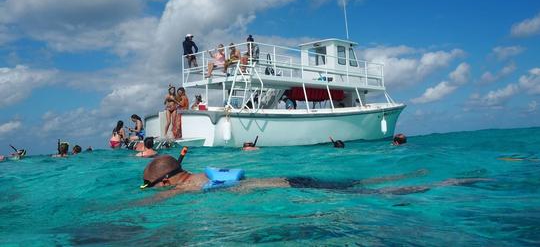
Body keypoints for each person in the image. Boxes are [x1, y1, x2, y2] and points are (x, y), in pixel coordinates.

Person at [139, 149, 492, 203]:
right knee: (362, 186)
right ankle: (419, 172)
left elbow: (146, 205)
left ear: (166, 179)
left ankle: (447, 183)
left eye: (149, 185)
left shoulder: (183, 188)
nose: (150, 190)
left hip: (295, 188)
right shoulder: (199, 175)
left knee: (381, 195)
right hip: (294, 178)